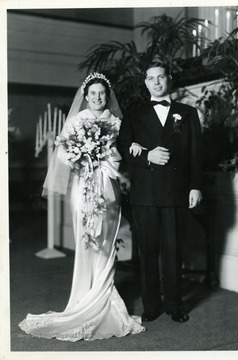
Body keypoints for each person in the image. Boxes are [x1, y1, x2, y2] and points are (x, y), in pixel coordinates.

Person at [19, 73, 145, 341]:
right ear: (85, 96)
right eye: (93, 94)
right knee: (88, 241)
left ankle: (107, 300)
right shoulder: (77, 121)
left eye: (102, 93)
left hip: (109, 186)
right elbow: (63, 154)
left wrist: (104, 155)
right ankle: (84, 298)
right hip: (84, 187)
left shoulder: (117, 122)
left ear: (107, 96)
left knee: (108, 241)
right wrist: (84, 156)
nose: (98, 97)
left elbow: (122, 153)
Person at [117, 62, 203, 323]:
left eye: (161, 77)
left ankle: (175, 305)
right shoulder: (134, 113)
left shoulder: (187, 113)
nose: (156, 82)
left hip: (177, 192)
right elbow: (122, 146)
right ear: (145, 83)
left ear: (169, 80)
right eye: (151, 78)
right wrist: (147, 156)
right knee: (148, 251)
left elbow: (196, 153)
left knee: (174, 250)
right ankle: (151, 305)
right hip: (145, 193)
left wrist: (196, 186)